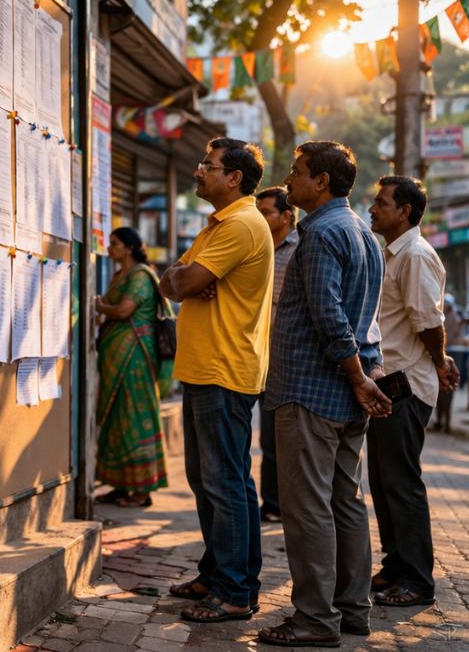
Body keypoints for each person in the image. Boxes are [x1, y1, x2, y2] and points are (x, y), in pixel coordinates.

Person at [258, 142, 388, 648]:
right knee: (346, 503)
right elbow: (364, 320)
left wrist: (359, 377)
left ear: (323, 183)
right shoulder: (361, 231)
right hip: (348, 390)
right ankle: (353, 611)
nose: (289, 180)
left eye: (297, 173)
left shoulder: (321, 233)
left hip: (313, 389)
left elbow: (330, 316)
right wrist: (363, 376)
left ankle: (315, 619)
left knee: (309, 508)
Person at [159, 138, 273, 624]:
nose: (199, 170)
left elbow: (180, 285)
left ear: (235, 178)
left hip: (224, 370)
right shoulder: (218, 226)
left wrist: (182, 279)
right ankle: (222, 574)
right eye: (202, 161)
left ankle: (234, 592)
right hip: (206, 368)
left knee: (224, 483)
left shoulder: (242, 224)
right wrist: (179, 277)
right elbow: (170, 283)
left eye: (209, 165)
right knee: (214, 481)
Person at [366, 176, 457, 609]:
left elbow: (428, 322)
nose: (373, 208)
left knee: (401, 484)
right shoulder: (392, 253)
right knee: (383, 482)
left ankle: (417, 581)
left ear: (405, 211)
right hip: (388, 383)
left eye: (382, 202)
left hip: (406, 384)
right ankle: (396, 566)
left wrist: (440, 364)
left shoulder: (416, 255)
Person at [93, 227, 171, 508]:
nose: (110, 248)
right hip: (117, 355)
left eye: (114, 244)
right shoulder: (119, 275)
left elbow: (125, 310)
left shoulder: (139, 275)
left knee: (135, 417)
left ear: (129, 247)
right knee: (116, 418)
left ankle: (141, 490)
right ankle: (120, 485)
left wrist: (99, 306)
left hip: (135, 356)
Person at [255, 186, 299, 524]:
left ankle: (283, 504)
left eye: (266, 211)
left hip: (287, 357)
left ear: (286, 215)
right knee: (266, 437)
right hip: (255, 355)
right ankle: (271, 503)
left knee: (284, 438)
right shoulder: (258, 246)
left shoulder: (300, 250)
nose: (260, 217)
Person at [437, 292, 463, 432]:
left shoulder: (451, 318)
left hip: (449, 358)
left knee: (448, 390)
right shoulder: (443, 317)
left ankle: (446, 423)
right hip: (443, 358)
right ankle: (441, 422)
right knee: (442, 392)